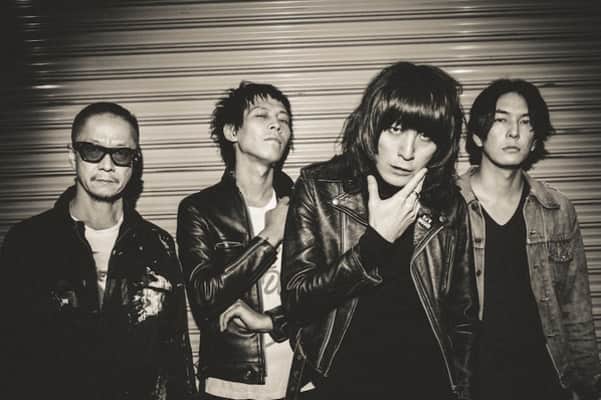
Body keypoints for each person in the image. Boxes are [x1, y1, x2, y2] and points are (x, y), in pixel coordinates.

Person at [281, 61, 478, 400]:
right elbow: (297, 302)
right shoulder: (320, 188)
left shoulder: (448, 206)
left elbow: (463, 320)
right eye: (396, 129)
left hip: (426, 385)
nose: (407, 152)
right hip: (340, 386)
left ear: (441, 146)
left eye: (425, 136)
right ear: (371, 125)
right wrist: (375, 244)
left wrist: (463, 391)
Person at [0, 102, 198, 400]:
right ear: (72, 155)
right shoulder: (28, 242)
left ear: (135, 162)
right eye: (92, 151)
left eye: (121, 154)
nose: (107, 165)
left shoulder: (157, 245)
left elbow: (175, 355)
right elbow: (10, 355)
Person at [458, 78, 601, 400]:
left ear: (535, 139)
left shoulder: (557, 210)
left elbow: (576, 310)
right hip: (473, 383)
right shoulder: (446, 208)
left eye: (525, 122)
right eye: (501, 120)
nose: (514, 132)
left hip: (544, 380)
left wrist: (589, 386)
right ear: (478, 135)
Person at [177, 81, 301, 400]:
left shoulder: (304, 205)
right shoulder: (199, 210)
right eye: (262, 115)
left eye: (284, 119)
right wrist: (269, 237)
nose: (277, 124)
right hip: (232, 385)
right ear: (232, 131)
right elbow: (204, 295)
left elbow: (326, 295)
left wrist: (269, 321)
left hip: (302, 379)